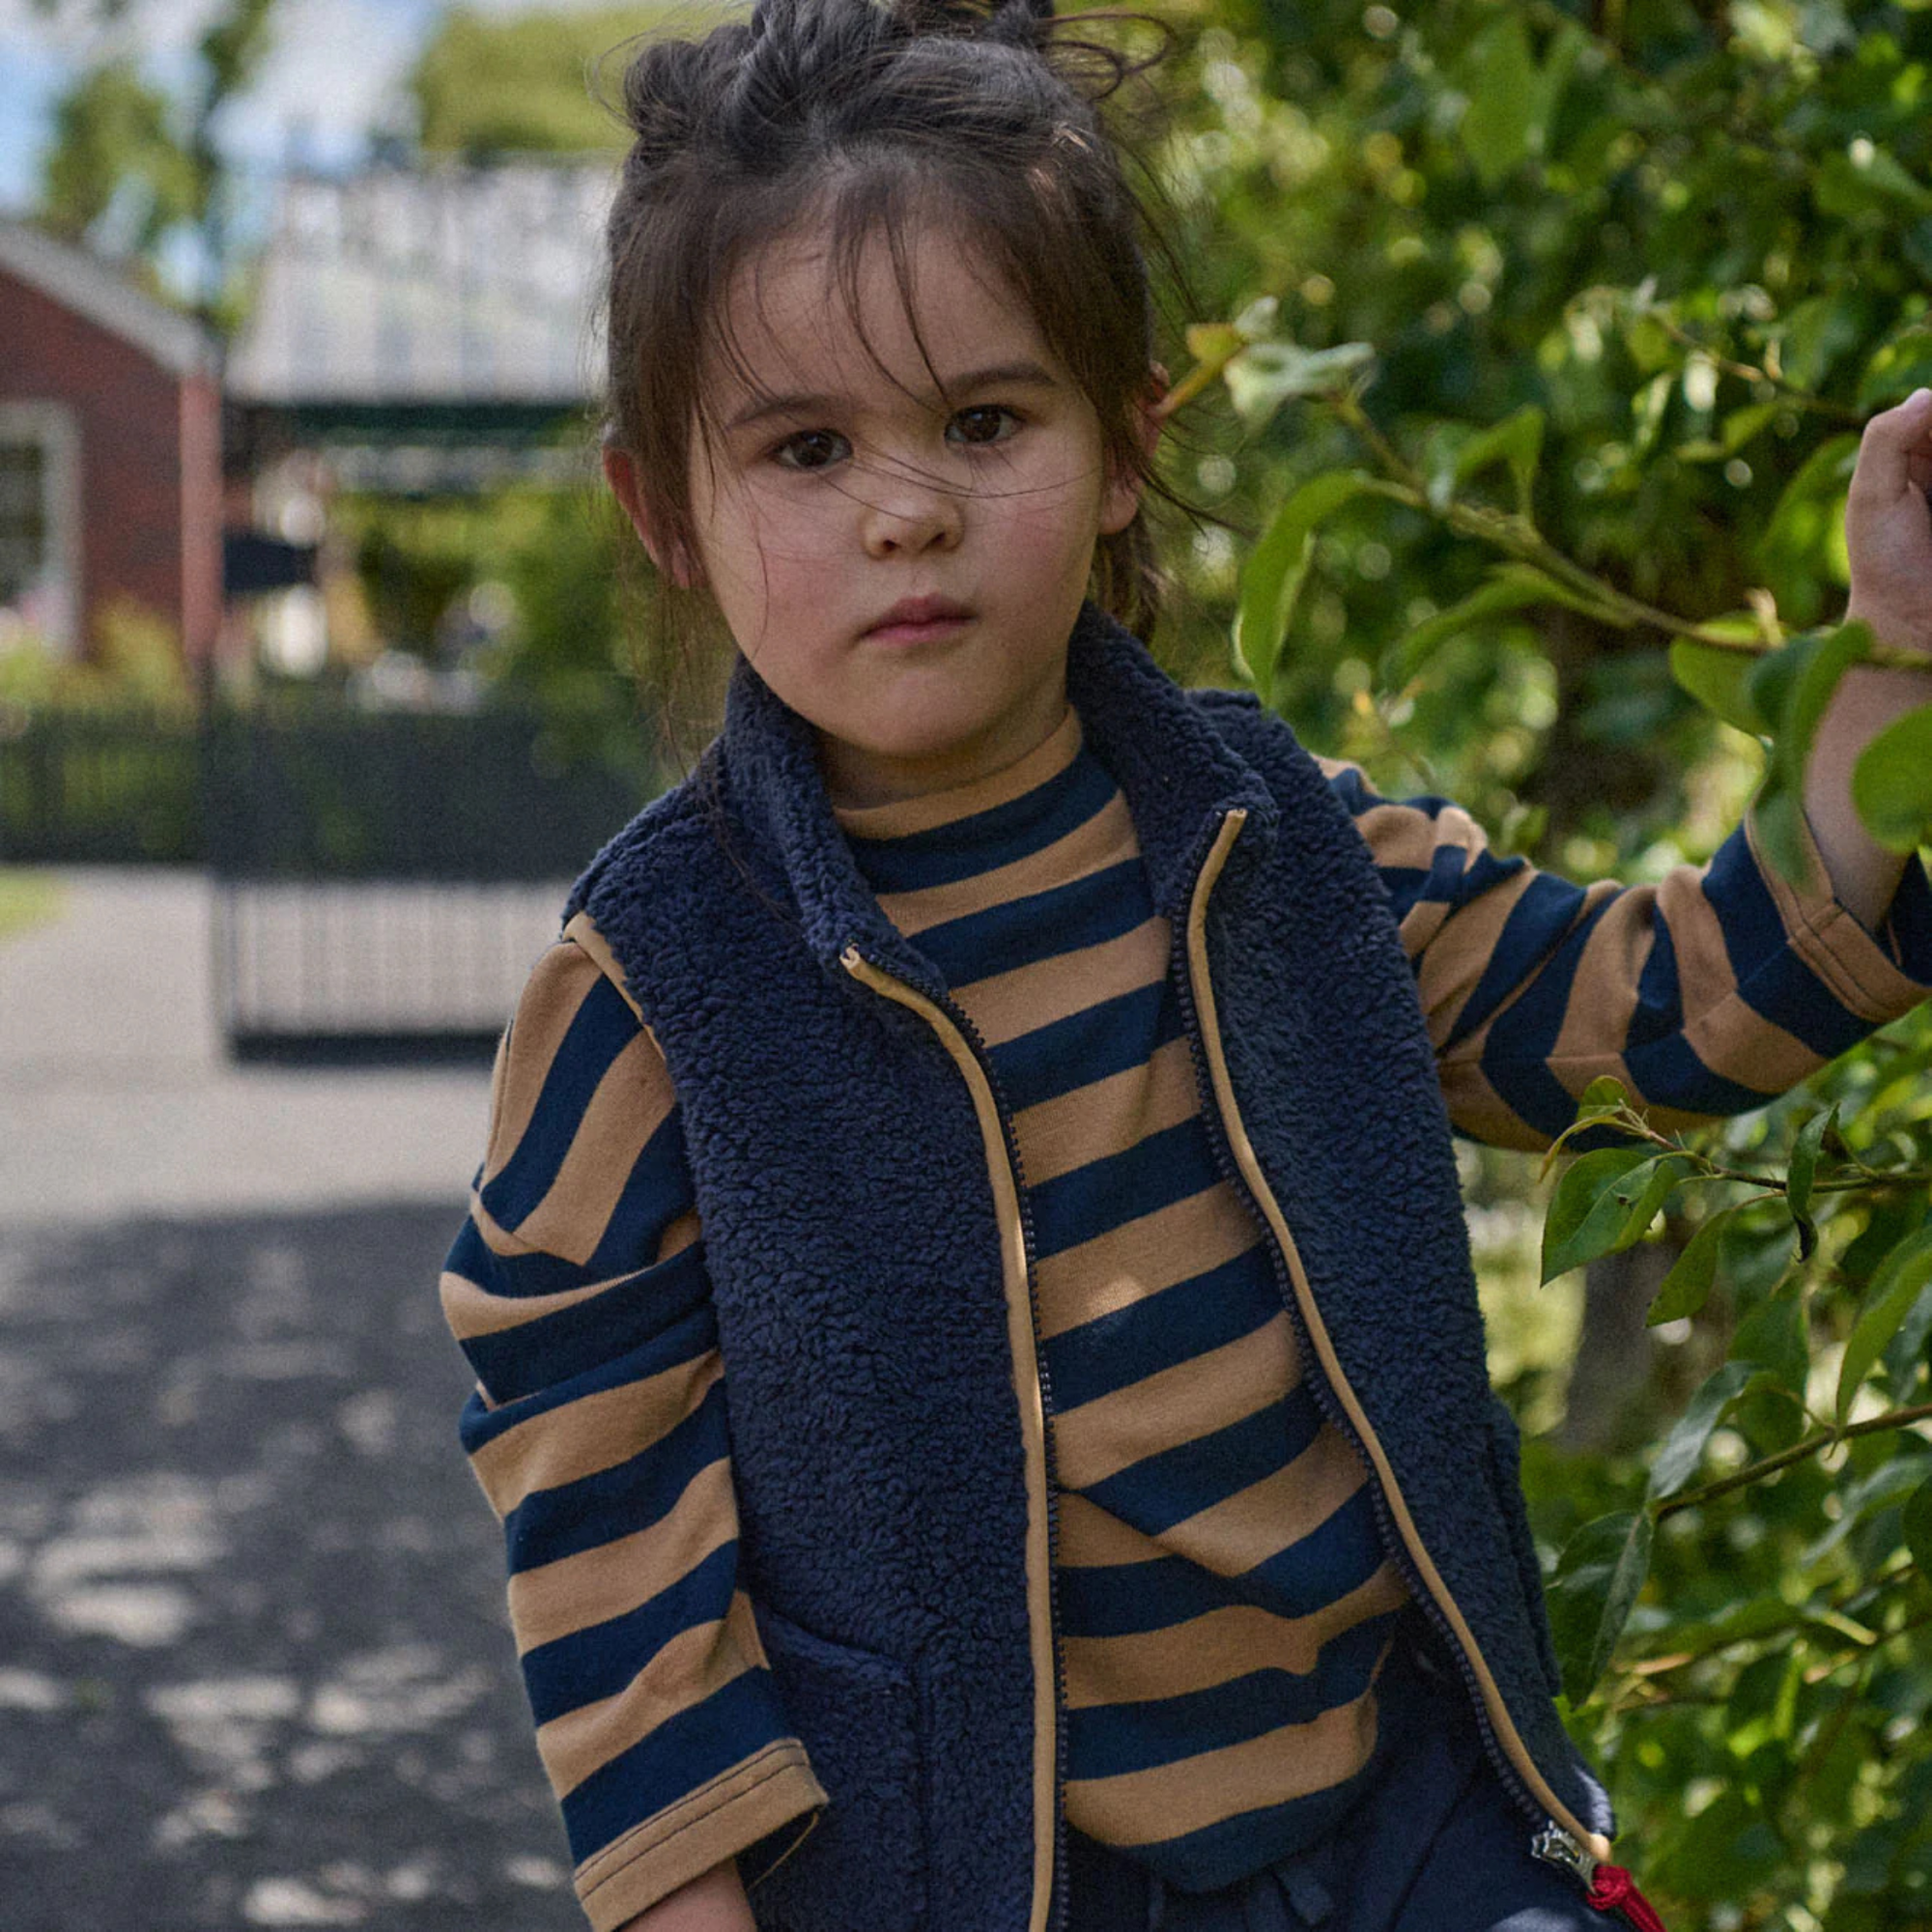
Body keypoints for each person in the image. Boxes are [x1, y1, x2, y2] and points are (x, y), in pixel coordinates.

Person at [436, 2, 1932, 1928]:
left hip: (1437, 1804)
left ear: (1127, 444)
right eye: (804, 446)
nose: (907, 505)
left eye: (985, 419)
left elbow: (1649, 1019)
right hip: (995, 1876)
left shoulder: (1280, 844)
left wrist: (1885, 674)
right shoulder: (655, 987)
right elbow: (603, 1541)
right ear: (667, 517)